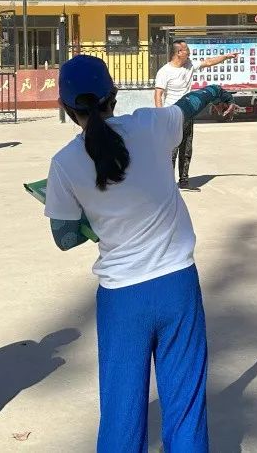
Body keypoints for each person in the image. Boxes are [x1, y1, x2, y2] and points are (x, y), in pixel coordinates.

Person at [44, 54, 235, 453]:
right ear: (113, 94)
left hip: (122, 298)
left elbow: (64, 238)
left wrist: (95, 219)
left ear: (65, 107)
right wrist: (217, 91)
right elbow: (190, 105)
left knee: (121, 410)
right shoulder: (150, 125)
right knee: (185, 402)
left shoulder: (63, 164)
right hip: (177, 285)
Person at [153, 41, 239, 188]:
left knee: (186, 148)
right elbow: (158, 95)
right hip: (171, 116)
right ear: (179, 52)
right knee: (171, 152)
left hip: (188, 114)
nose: (189, 52)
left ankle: (184, 180)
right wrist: (161, 116)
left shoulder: (190, 65)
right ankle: (167, 183)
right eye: (186, 49)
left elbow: (208, 62)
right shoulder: (165, 71)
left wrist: (226, 57)